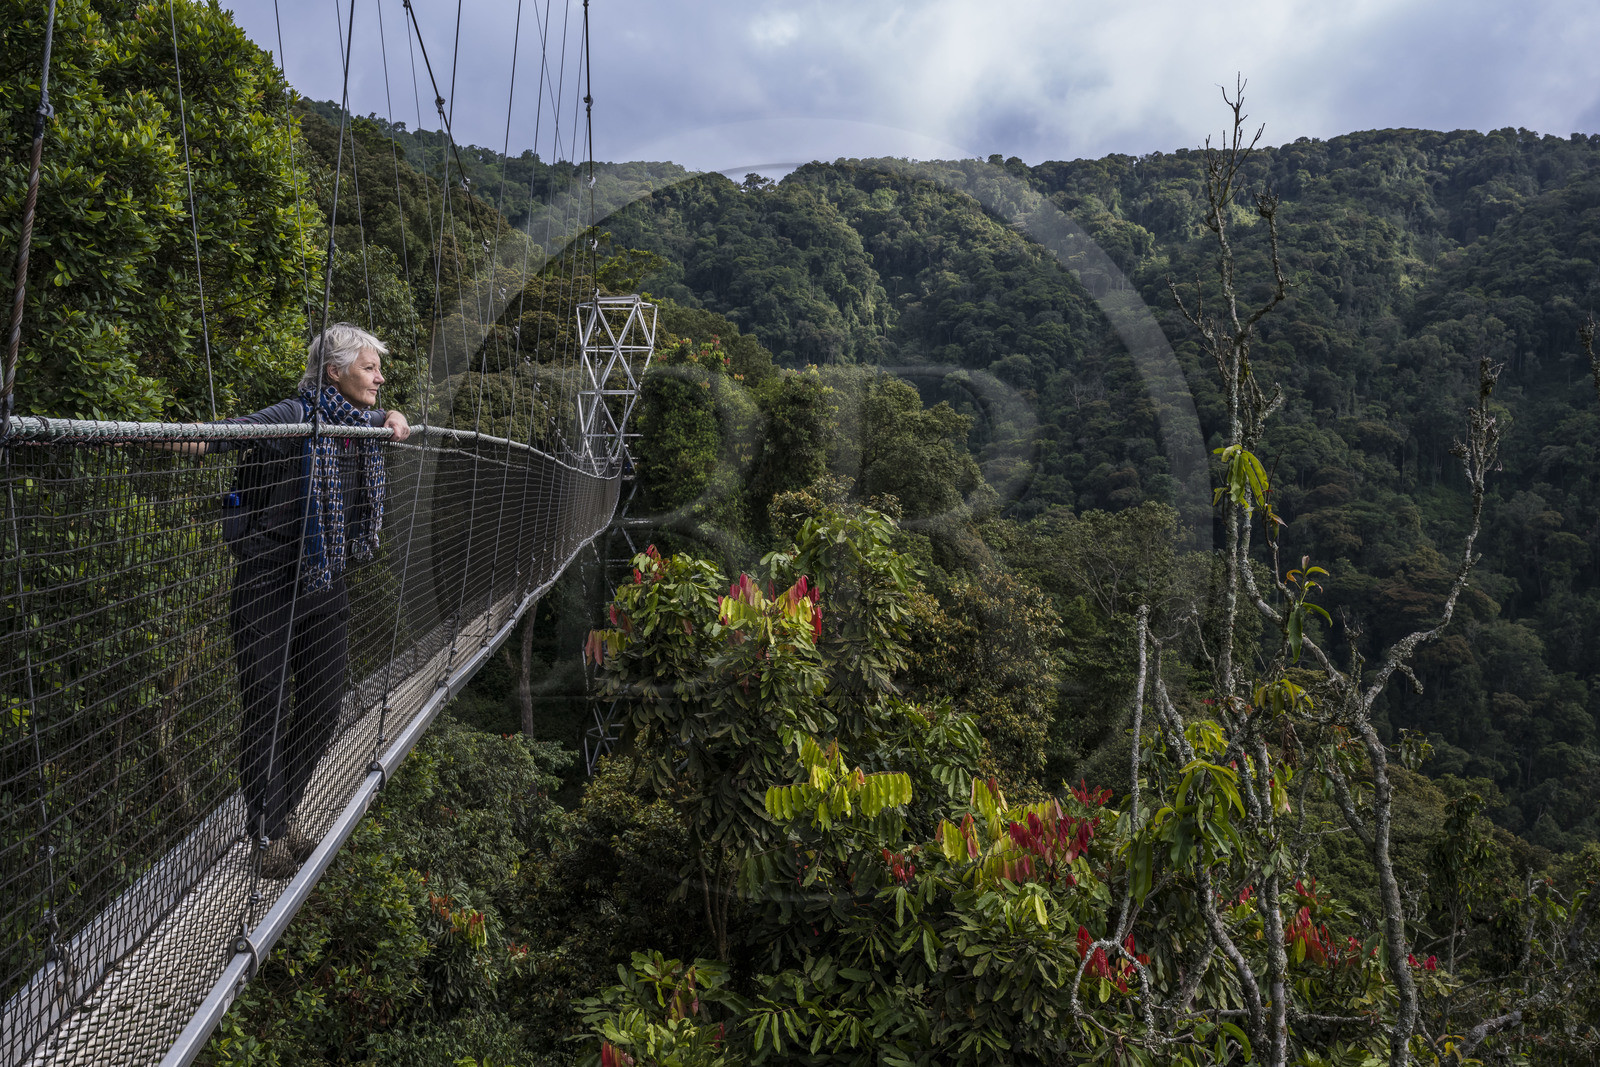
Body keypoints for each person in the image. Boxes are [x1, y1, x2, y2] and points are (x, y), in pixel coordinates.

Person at [204, 323, 410, 878]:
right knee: (266, 709)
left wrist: (392, 416)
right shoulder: (289, 417)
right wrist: (136, 434)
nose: (379, 377)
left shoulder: (360, 425)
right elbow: (214, 436)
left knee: (323, 707)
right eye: (369, 368)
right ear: (334, 372)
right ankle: (267, 833)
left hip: (326, 580)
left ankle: (283, 812)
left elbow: (387, 419)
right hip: (265, 583)